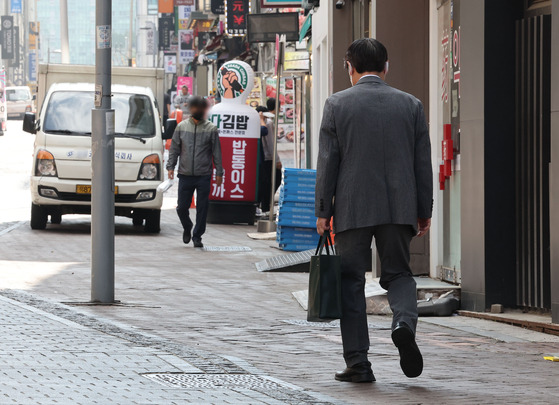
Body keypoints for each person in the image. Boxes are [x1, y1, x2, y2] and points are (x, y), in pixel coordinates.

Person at [315, 38, 433, 383]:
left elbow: (328, 163)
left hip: (352, 207)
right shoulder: (411, 105)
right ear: (386, 67)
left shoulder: (337, 104)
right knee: (398, 274)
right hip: (399, 208)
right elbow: (421, 163)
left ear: (350, 67)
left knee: (350, 281)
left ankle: (358, 363)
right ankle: (403, 324)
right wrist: (422, 209)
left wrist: (323, 210)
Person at [167, 97, 223, 248]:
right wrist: (170, 167)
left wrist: (219, 173)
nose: (198, 110)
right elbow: (174, 149)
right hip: (185, 174)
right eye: (195, 107)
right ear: (191, 109)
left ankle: (197, 236)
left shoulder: (211, 128)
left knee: (202, 207)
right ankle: (187, 226)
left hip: (204, 174)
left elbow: (216, 152)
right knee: (182, 207)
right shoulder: (181, 127)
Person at [256, 104, 281, 216]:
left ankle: (265, 205)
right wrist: (276, 159)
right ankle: (265, 205)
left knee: (266, 182)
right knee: (271, 181)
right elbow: (271, 143)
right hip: (268, 158)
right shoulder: (268, 123)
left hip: (265, 158)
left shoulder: (264, 122)